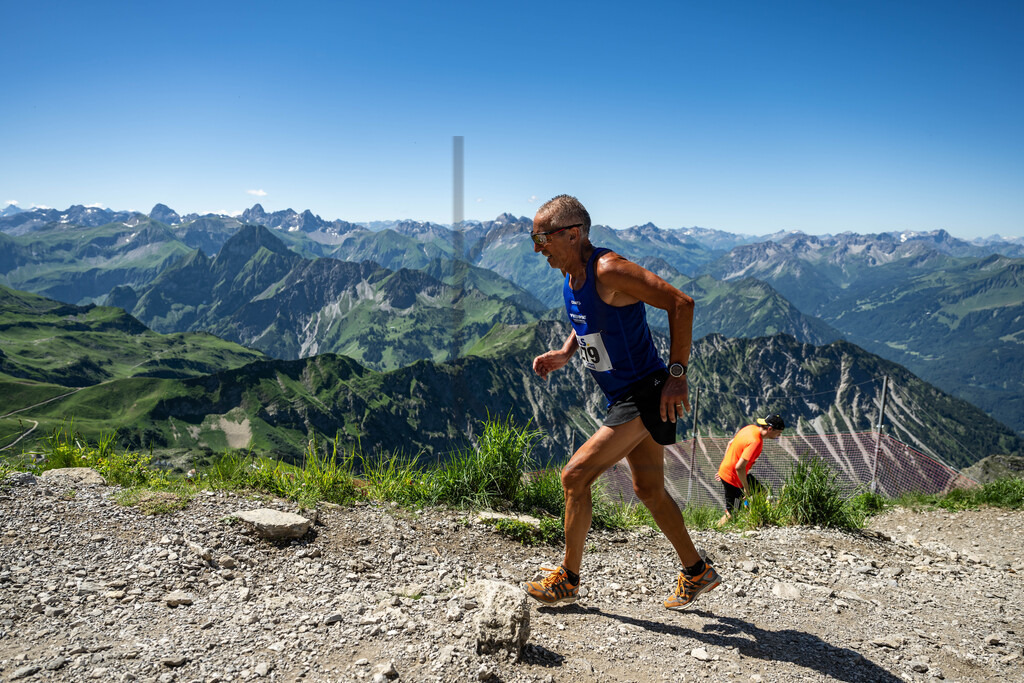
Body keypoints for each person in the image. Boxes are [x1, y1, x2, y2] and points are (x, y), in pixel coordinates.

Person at [521, 194, 720, 610]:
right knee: (648, 489)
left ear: (573, 234)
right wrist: (565, 352)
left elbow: (681, 304)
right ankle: (697, 570)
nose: (538, 248)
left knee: (574, 477)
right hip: (625, 396)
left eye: (543, 237)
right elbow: (590, 320)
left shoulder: (607, 270)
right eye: (534, 238)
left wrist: (677, 376)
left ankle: (568, 579)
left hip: (645, 393)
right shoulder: (572, 277)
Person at [716, 414, 786, 526]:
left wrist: (723, 467)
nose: (779, 435)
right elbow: (739, 467)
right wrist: (746, 489)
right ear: (770, 429)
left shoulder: (750, 428)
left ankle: (753, 515)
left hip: (731, 473)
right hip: (734, 480)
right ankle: (715, 529)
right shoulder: (756, 442)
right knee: (732, 512)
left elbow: (730, 443)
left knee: (762, 493)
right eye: (779, 432)